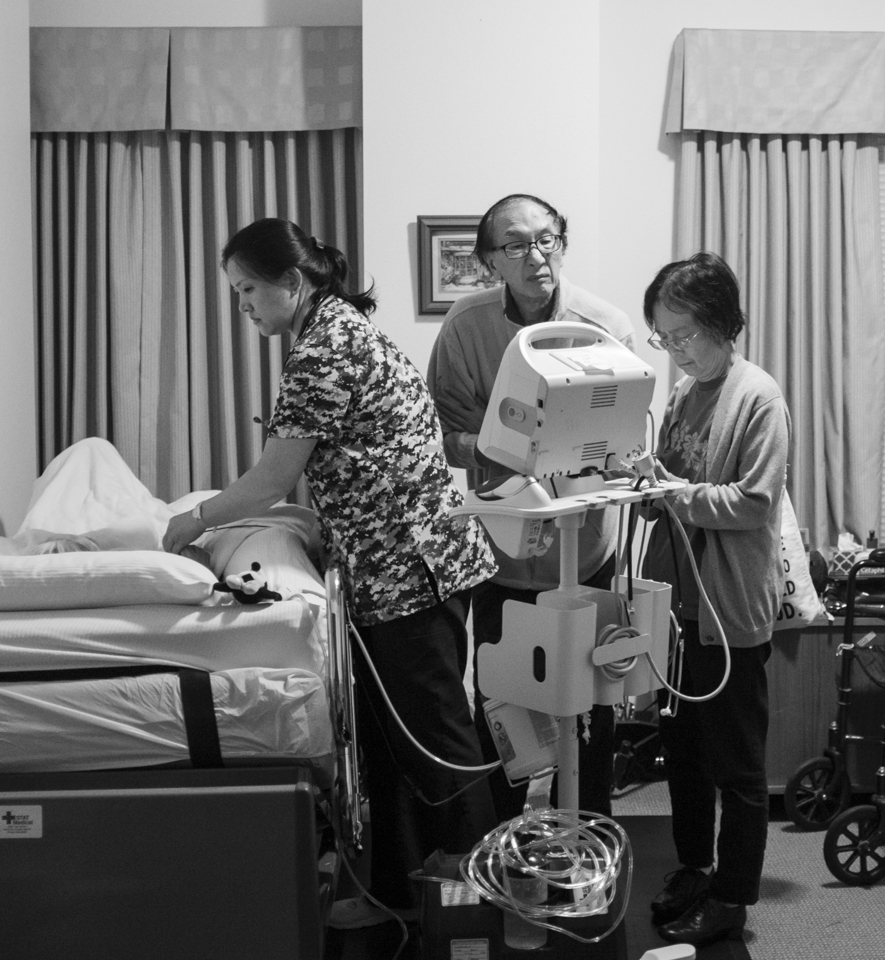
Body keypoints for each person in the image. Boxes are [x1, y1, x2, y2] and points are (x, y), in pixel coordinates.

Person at [162, 218, 499, 930]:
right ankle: (397, 896)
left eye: (249, 288)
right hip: (398, 566)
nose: (245, 304)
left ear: (292, 280)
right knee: (388, 742)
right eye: (236, 292)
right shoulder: (344, 328)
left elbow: (271, 481)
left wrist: (191, 522)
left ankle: (478, 911)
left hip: (409, 570)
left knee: (438, 742)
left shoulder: (324, 350)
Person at [426, 193, 636, 822]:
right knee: (504, 708)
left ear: (561, 243)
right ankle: (501, 844)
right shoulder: (466, 327)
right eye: (515, 245)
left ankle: (590, 833)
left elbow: (626, 441)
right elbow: (439, 432)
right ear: (490, 260)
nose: (535, 256)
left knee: (592, 704)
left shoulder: (606, 324)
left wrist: (574, 452)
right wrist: (509, 443)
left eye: (546, 240)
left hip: (587, 552)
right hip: (504, 558)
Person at [639, 252, 790, 947]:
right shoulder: (681, 391)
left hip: (727, 610)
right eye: (662, 338)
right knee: (684, 755)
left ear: (723, 325)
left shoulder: (758, 396)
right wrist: (641, 484)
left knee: (737, 767)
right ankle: (696, 868)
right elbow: (670, 485)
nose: (674, 351)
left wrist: (673, 493)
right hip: (676, 605)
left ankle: (732, 899)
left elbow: (754, 504)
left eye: (683, 336)